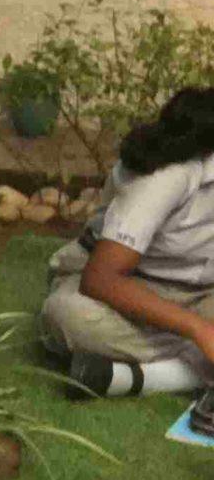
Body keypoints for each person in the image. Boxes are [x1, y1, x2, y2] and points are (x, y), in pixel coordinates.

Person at [41, 86, 214, 403]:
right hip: (125, 292)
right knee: (69, 316)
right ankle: (185, 369)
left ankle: (134, 377)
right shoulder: (168, 177)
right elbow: (100, 279)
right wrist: (197, 329)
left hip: (200, 294)